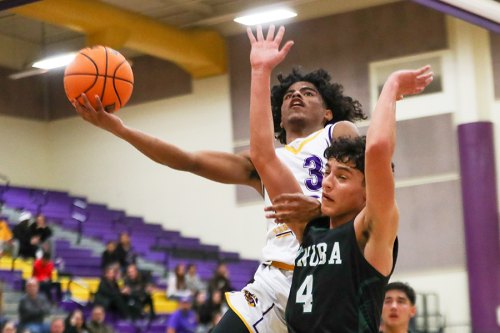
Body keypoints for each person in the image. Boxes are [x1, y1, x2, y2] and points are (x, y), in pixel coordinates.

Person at [73, 25, 365, 332]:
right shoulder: (264, 163)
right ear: (277, 117)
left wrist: (318, 210)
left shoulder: (339, 133)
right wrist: (120, 130)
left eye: (308, 93)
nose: (297, 96)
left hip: (329, 273)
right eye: (289, 95)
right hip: (275, 280)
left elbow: (368, 194)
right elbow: (189, 160)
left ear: (328, 111)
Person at [245, 25, 433, 332]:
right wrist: (259, 71)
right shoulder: (309, 230)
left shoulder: (369, 234)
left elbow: (378, 148)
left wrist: (393, 85)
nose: (328, 182)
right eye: (328, 172)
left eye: (342, 176)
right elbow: (263, 156)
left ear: (366, 192)